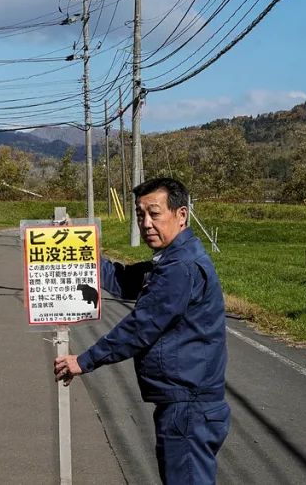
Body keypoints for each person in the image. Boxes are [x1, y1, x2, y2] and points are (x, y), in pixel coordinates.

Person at [53, 177, 230, 484]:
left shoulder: (180, 268)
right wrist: (77, 245)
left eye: (155, 213)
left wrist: (84, 361)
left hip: (188, 406)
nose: (146, 223)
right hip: (186, 403)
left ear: (181, 215)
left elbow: (141, 327)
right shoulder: (171, 259)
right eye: (140, 214)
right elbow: (122, 280)